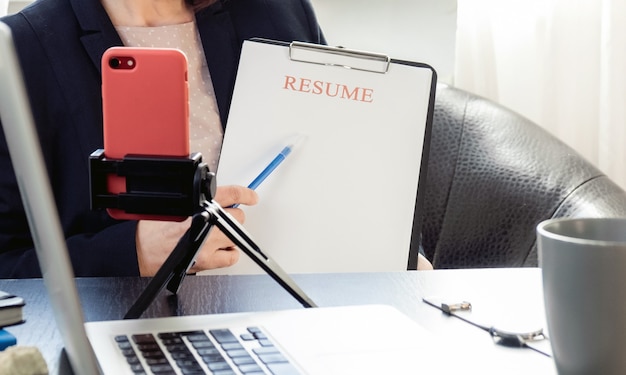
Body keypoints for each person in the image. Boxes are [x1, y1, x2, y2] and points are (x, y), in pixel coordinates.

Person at [0, 0, 432, 278]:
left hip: (297, 303)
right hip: (131, 322)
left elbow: (337, 160)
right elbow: (7, 261)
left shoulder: (279, 10)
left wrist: (390, 247)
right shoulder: (20, 48)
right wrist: (131, 254)